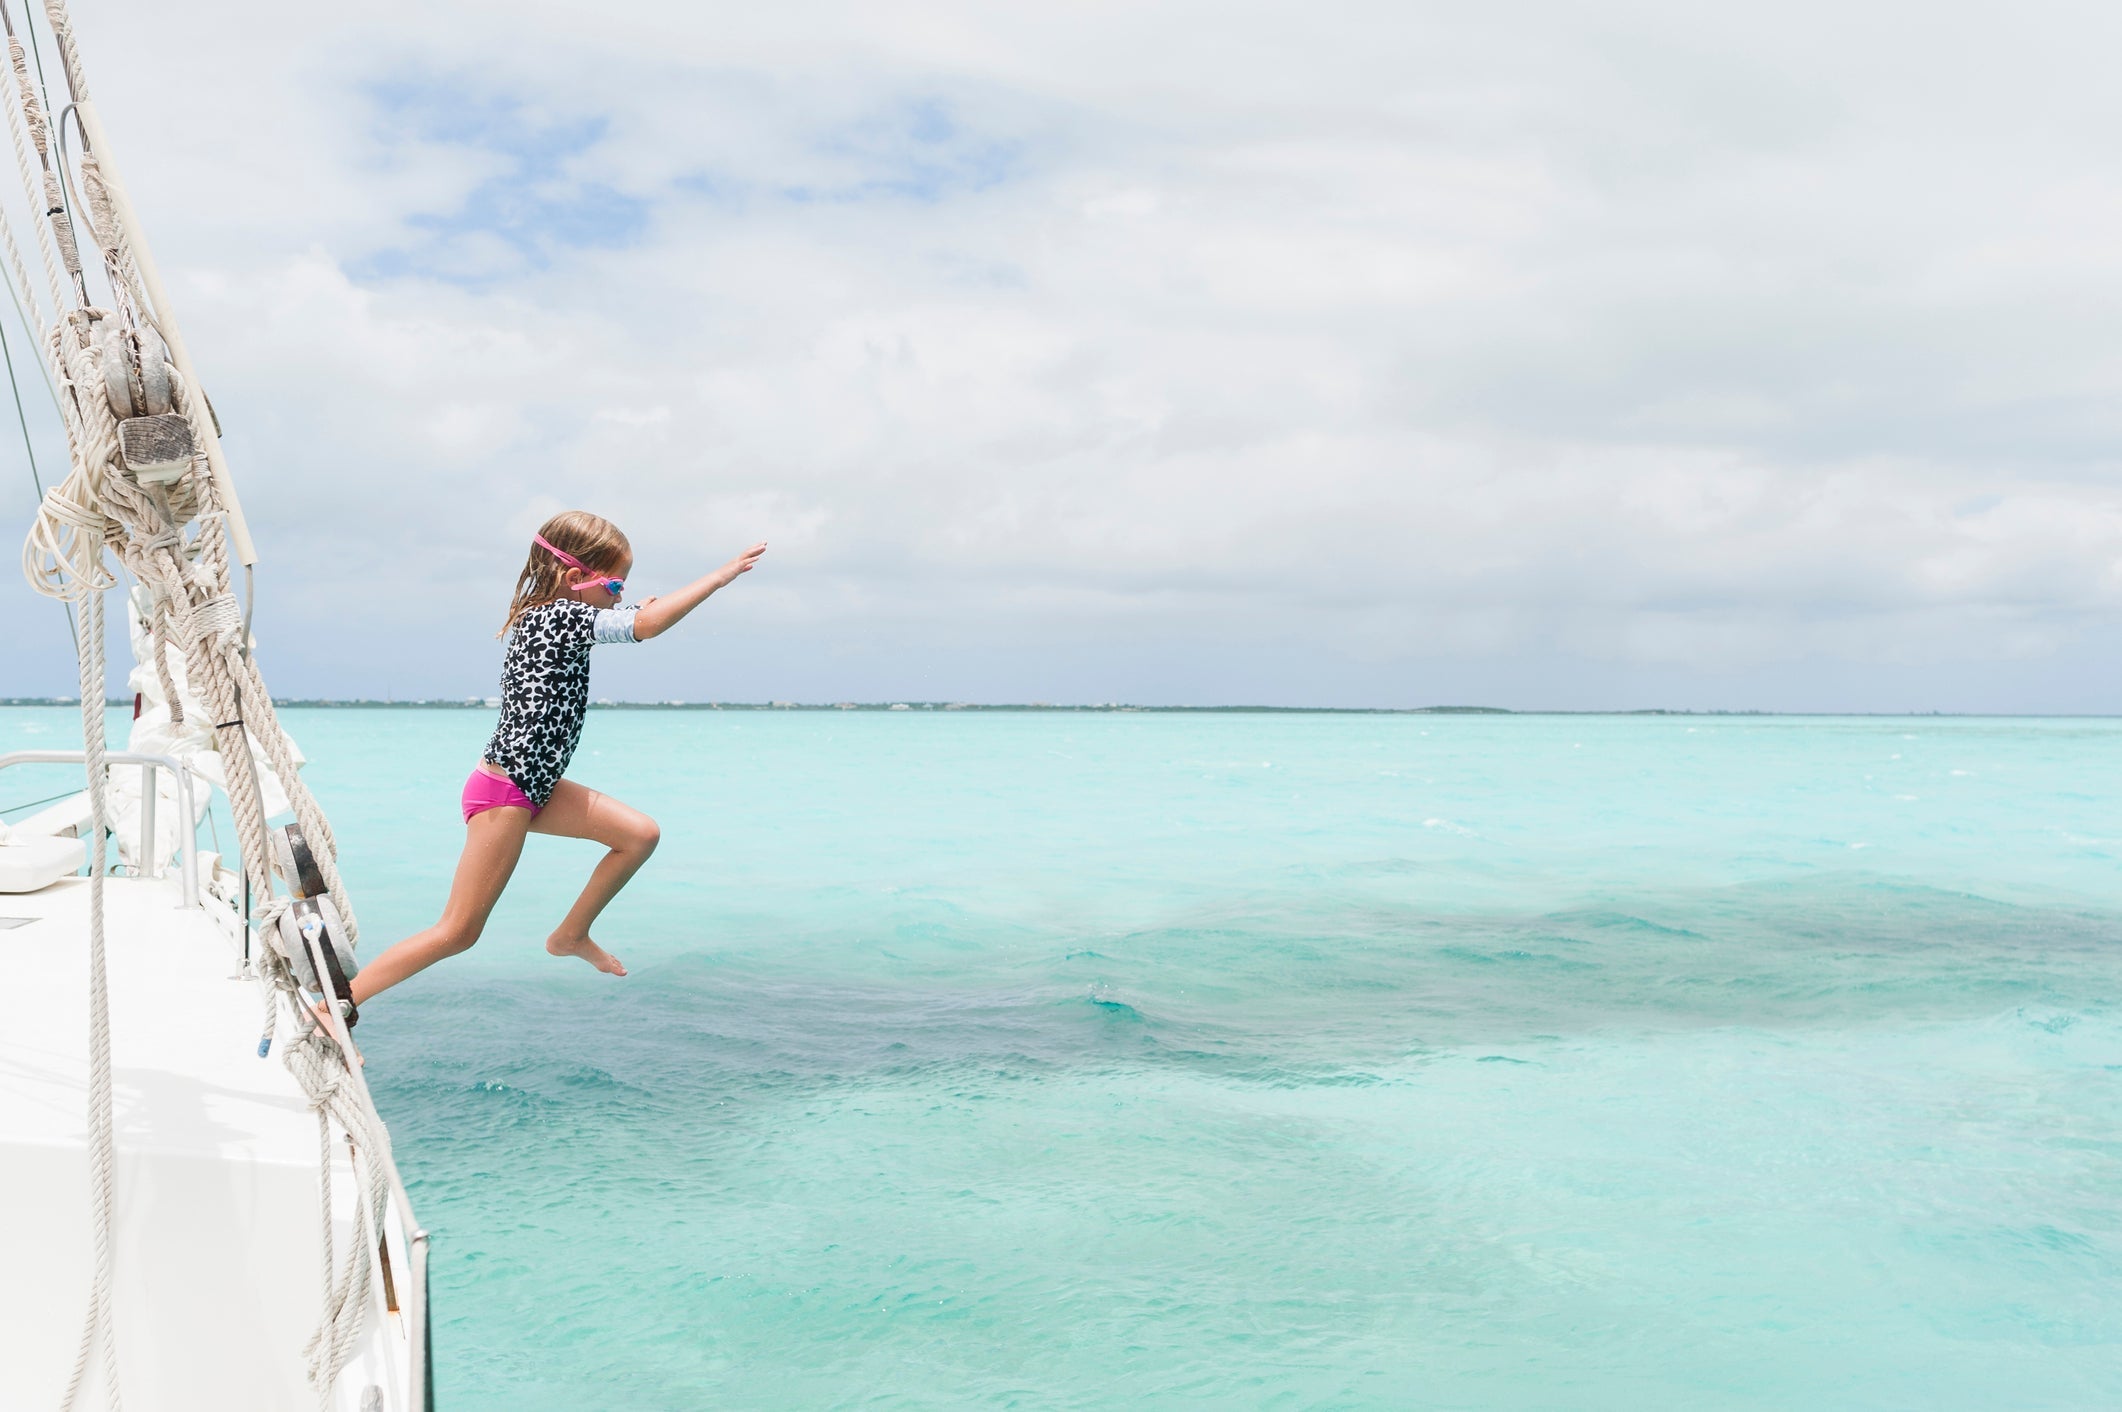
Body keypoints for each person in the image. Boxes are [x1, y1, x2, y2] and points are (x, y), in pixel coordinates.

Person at [338, 510, 766, 1016]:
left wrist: (626, 604)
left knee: (639, 835)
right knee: (457, 931)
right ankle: (339, 1004)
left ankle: (570, 934)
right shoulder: (555, 618)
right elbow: (644, 627)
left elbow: (627, 616)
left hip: (536, 786)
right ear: (574, 578)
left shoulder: (557, 618)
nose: (620, 594)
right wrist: (718, 578)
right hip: (506, 793)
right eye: (614, 583)